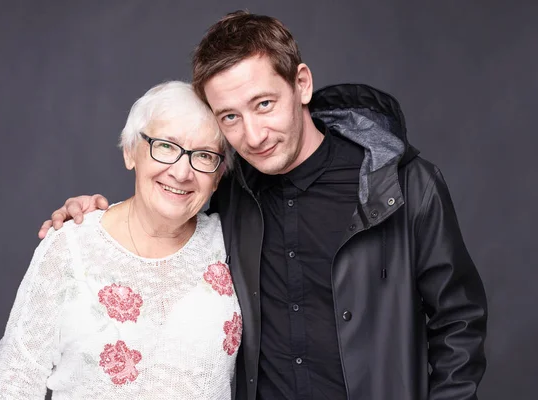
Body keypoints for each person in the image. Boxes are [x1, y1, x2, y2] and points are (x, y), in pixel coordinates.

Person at [40, 11, 488, 400]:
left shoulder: (402, 185)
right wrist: (93, 218)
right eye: (230, 117)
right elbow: (158, 221)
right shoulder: (226, 193)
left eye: (265, 104)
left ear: (302, 84)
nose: (253, 136)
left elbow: (459, 323)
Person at [0, 81, 241, 399]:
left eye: (203, 156)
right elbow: (16, 379)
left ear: (218, 177)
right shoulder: (70, 246)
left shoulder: (232, 244)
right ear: (131, 151)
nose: (181, 172)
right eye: (165, 146)